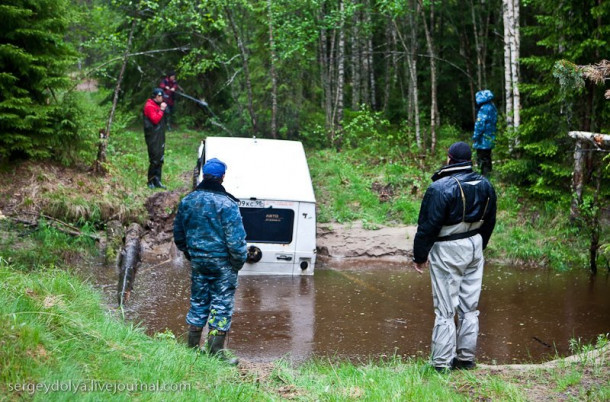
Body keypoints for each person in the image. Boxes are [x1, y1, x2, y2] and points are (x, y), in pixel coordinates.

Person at [412, 141, 497, 372]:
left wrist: (419, 256)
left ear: (450, 159)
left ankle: (440, 364)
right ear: (469, 160)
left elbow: (427, 226)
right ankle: (466, 359)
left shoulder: (439, 188)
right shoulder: (486, 184)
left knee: (446, 309)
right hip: (475, 246)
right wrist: (480, 246)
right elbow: (490, 222)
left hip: (449, 249)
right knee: (470, 307)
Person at [173, 158, 248, 365]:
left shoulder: (188, 201)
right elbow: (236, 240)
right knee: (221, 305)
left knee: (198, 302)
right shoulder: (228, 204)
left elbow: (178, 234)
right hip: (222, 264)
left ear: (204, 175)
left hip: (198, 261)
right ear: (223, 177)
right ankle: (216, 353)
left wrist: (191, 254)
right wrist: (237, 263)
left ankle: (191, 350)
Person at [143, 88, 167, 189]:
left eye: (162, 96)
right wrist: (161, 110)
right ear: (154, 96)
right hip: (152, 136)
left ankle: (158, 180)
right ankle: (150, 181)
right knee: (154, 159)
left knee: (160, 158)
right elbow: (155, 120)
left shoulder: (157, 105)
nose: (161, 98)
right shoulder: (149, 106)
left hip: (160, 135)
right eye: (159, 96)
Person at [472, 89, 498, 176]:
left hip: (483, 139)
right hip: (490, 137)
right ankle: (488, 175)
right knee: (487, 157)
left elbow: (480, 124)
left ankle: (484, 177)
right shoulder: (492, 106)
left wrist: (475, 136)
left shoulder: (484, 109)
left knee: (482, 158)